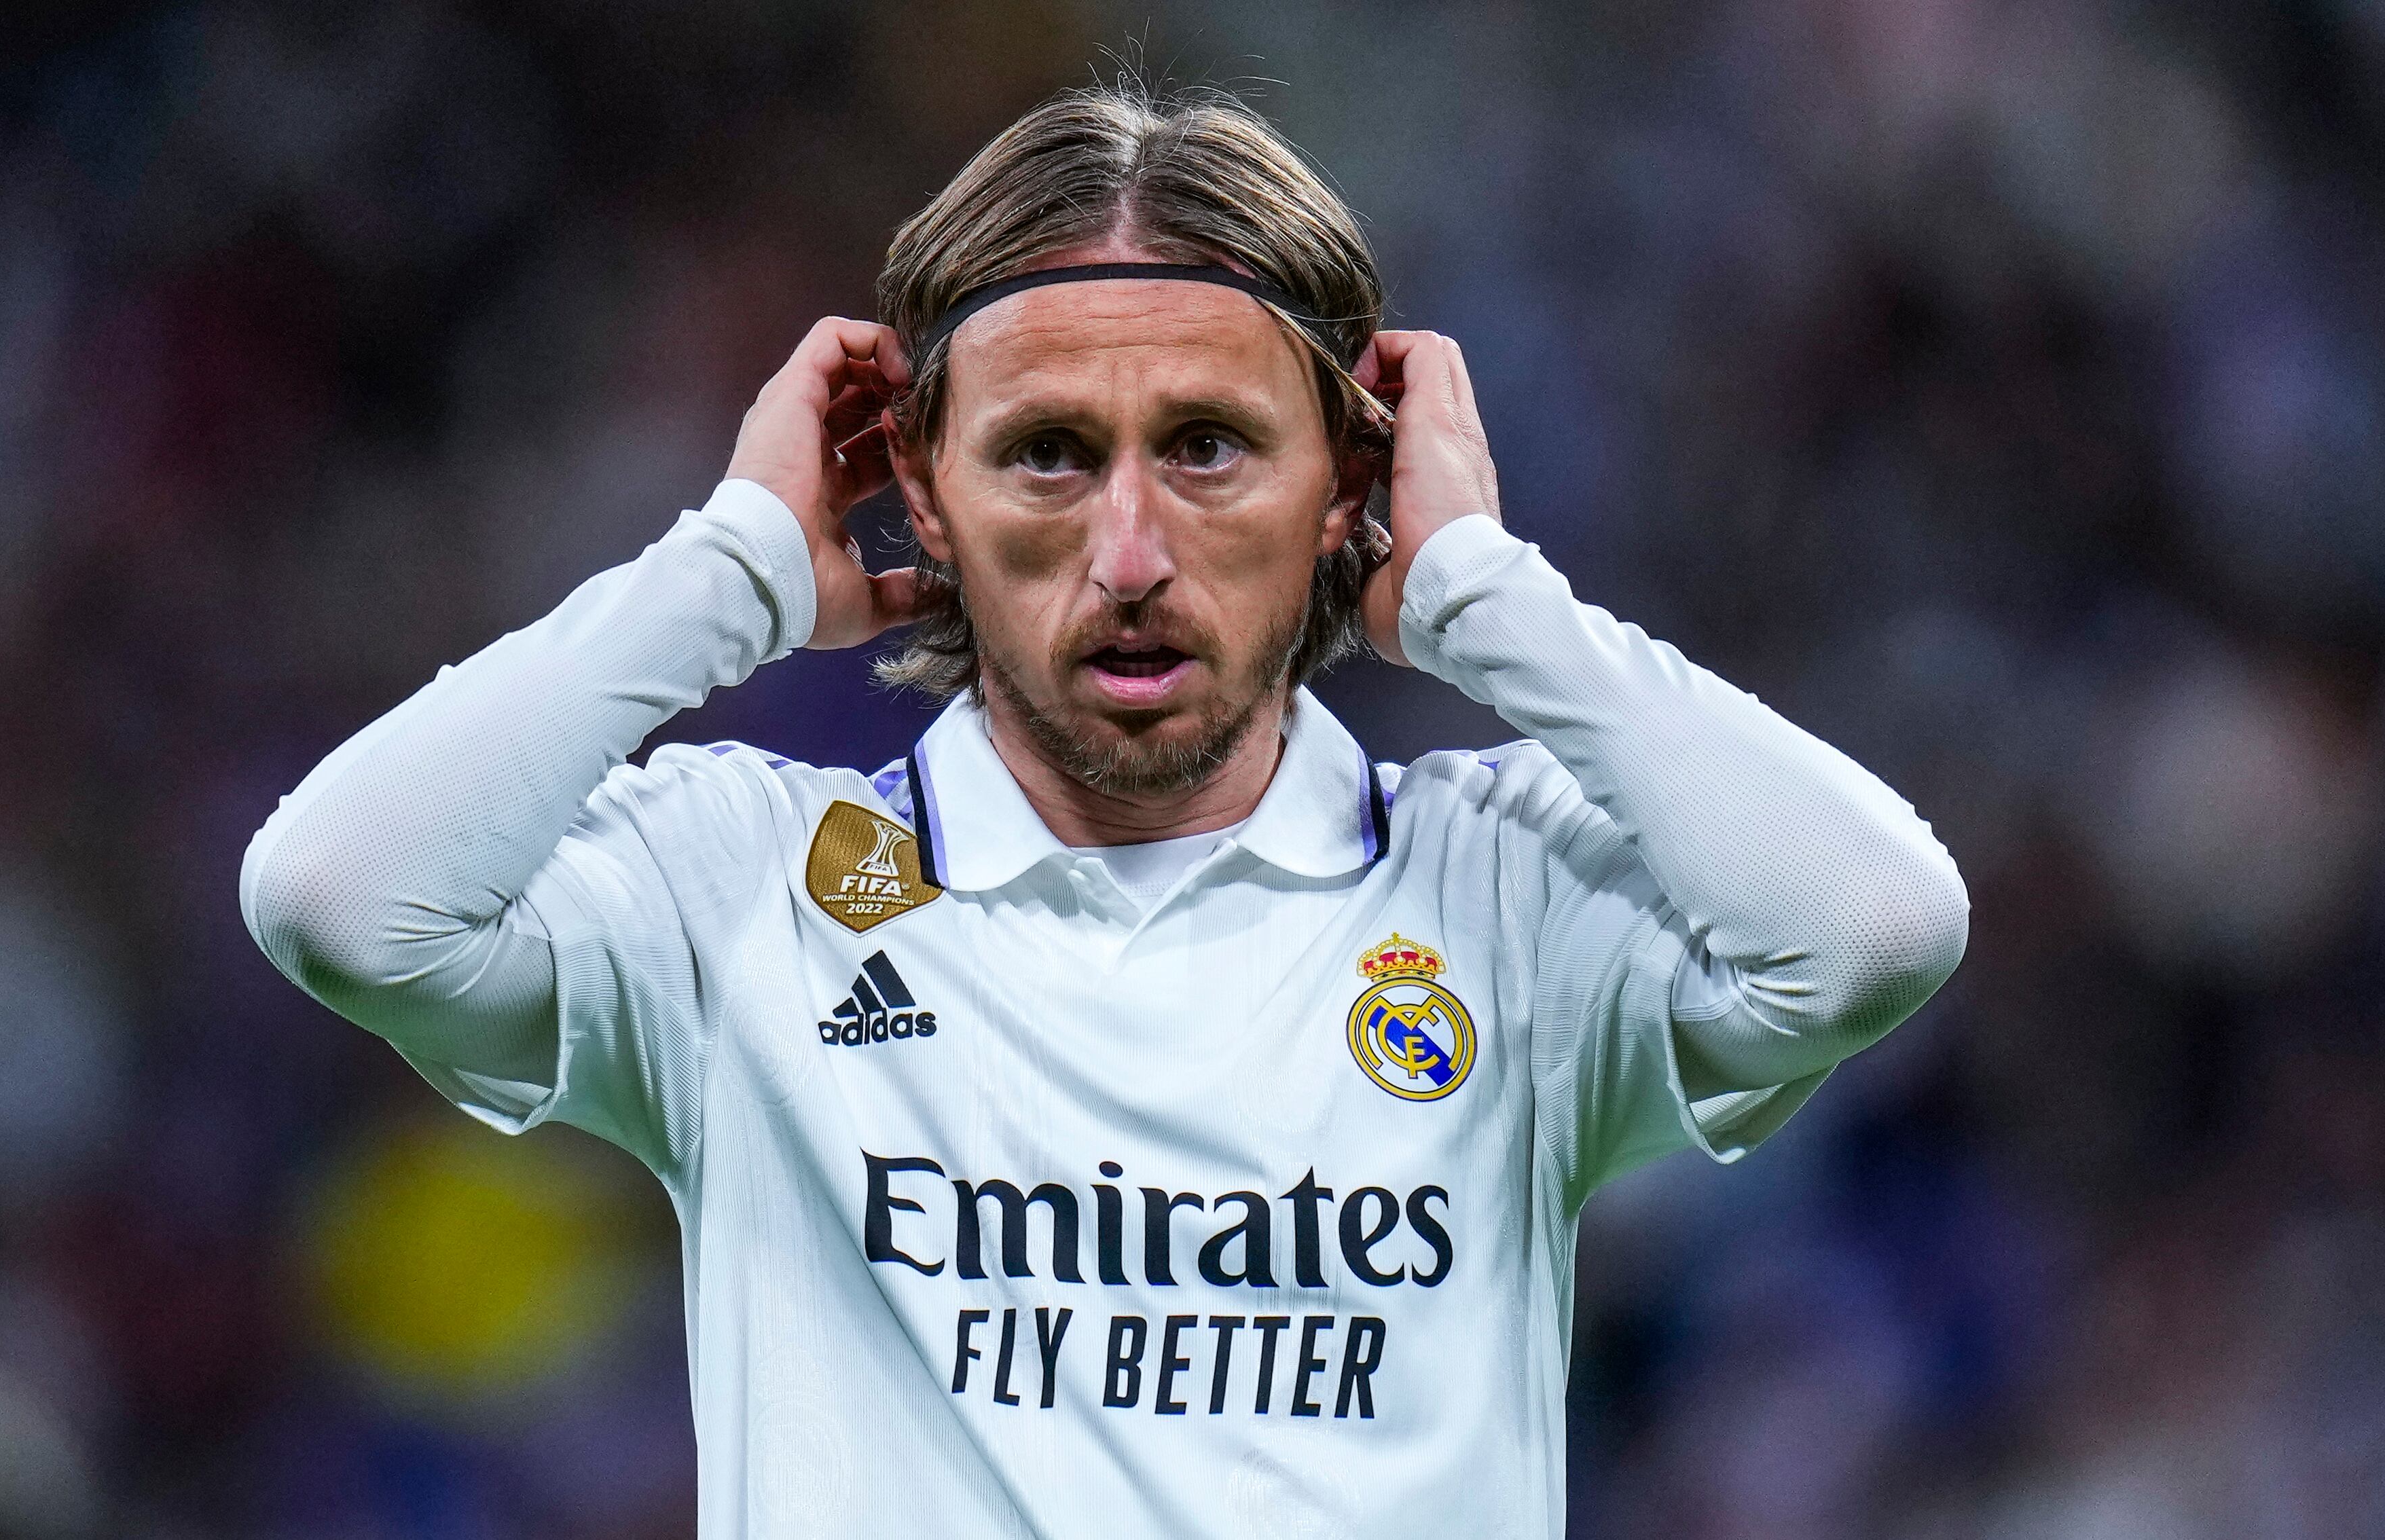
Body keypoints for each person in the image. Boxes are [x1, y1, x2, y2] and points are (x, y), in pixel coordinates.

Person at [242, 82, 1968, 1537]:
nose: (1130, 557)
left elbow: (1872, 928)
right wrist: (734, 570)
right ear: (915, 481)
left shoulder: (1505, 896)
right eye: (1047, 454)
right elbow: (339, 894)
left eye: (1210, 446)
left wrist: (1479, 597)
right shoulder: (736, 890)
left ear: (1344, 479)